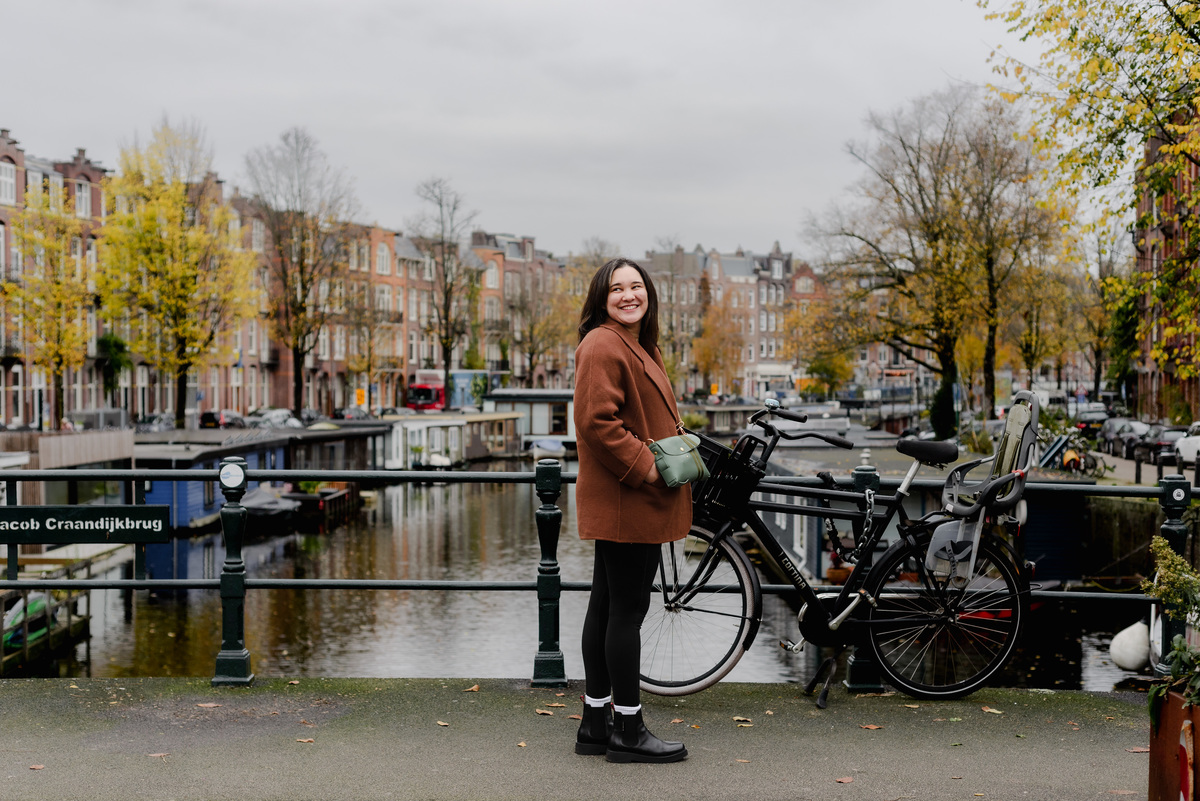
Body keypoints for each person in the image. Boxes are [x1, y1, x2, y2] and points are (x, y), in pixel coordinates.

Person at [572, 257, 690, 764]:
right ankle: (628, 730)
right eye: (616, 288)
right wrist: (649, 468)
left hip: (628, 498)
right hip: (629, 497)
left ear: (649, 295)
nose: (627, 295)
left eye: (636, 286)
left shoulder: (635, 344)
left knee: (605, 606)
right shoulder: (603, 343)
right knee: (627, 612)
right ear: (602, 297)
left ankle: (595, 722)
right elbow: (597, 422)